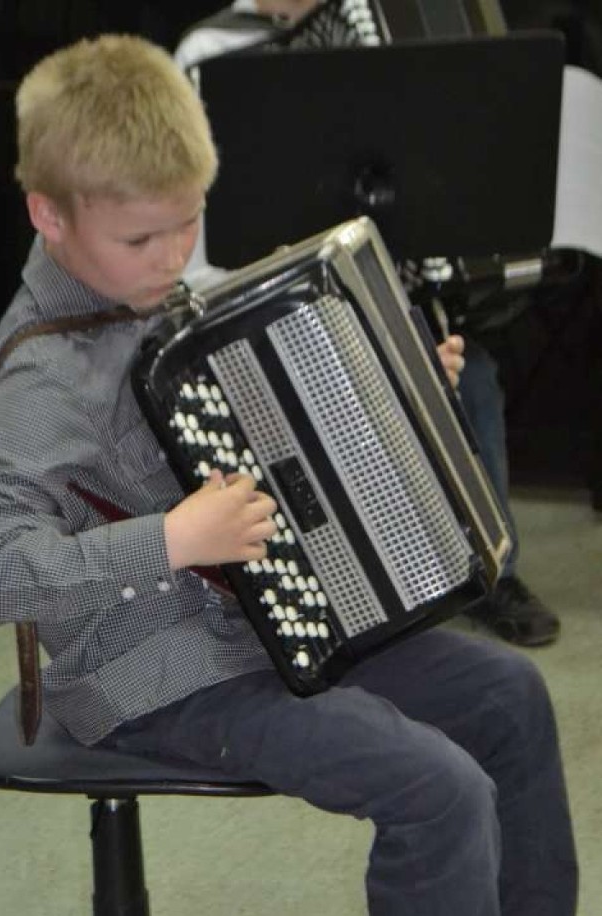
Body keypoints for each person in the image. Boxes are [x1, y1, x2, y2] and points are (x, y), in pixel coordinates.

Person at [0, 33, 602, 916]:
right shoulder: (44, 374)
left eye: (185, 228)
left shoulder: (173, 300)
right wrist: (175, 539)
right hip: (156, 676)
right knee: (435, 786)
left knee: (507, 698)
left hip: (268, 620)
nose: (171, 261)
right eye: (139, 238)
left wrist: (416, 378)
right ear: (48, 218)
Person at [174, 0, 562, 648]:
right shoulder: (211, 52)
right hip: (261, 296)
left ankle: (491, 570)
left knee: (473, 375)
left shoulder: (365, 22)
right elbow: (206, 222)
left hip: (372, 280)